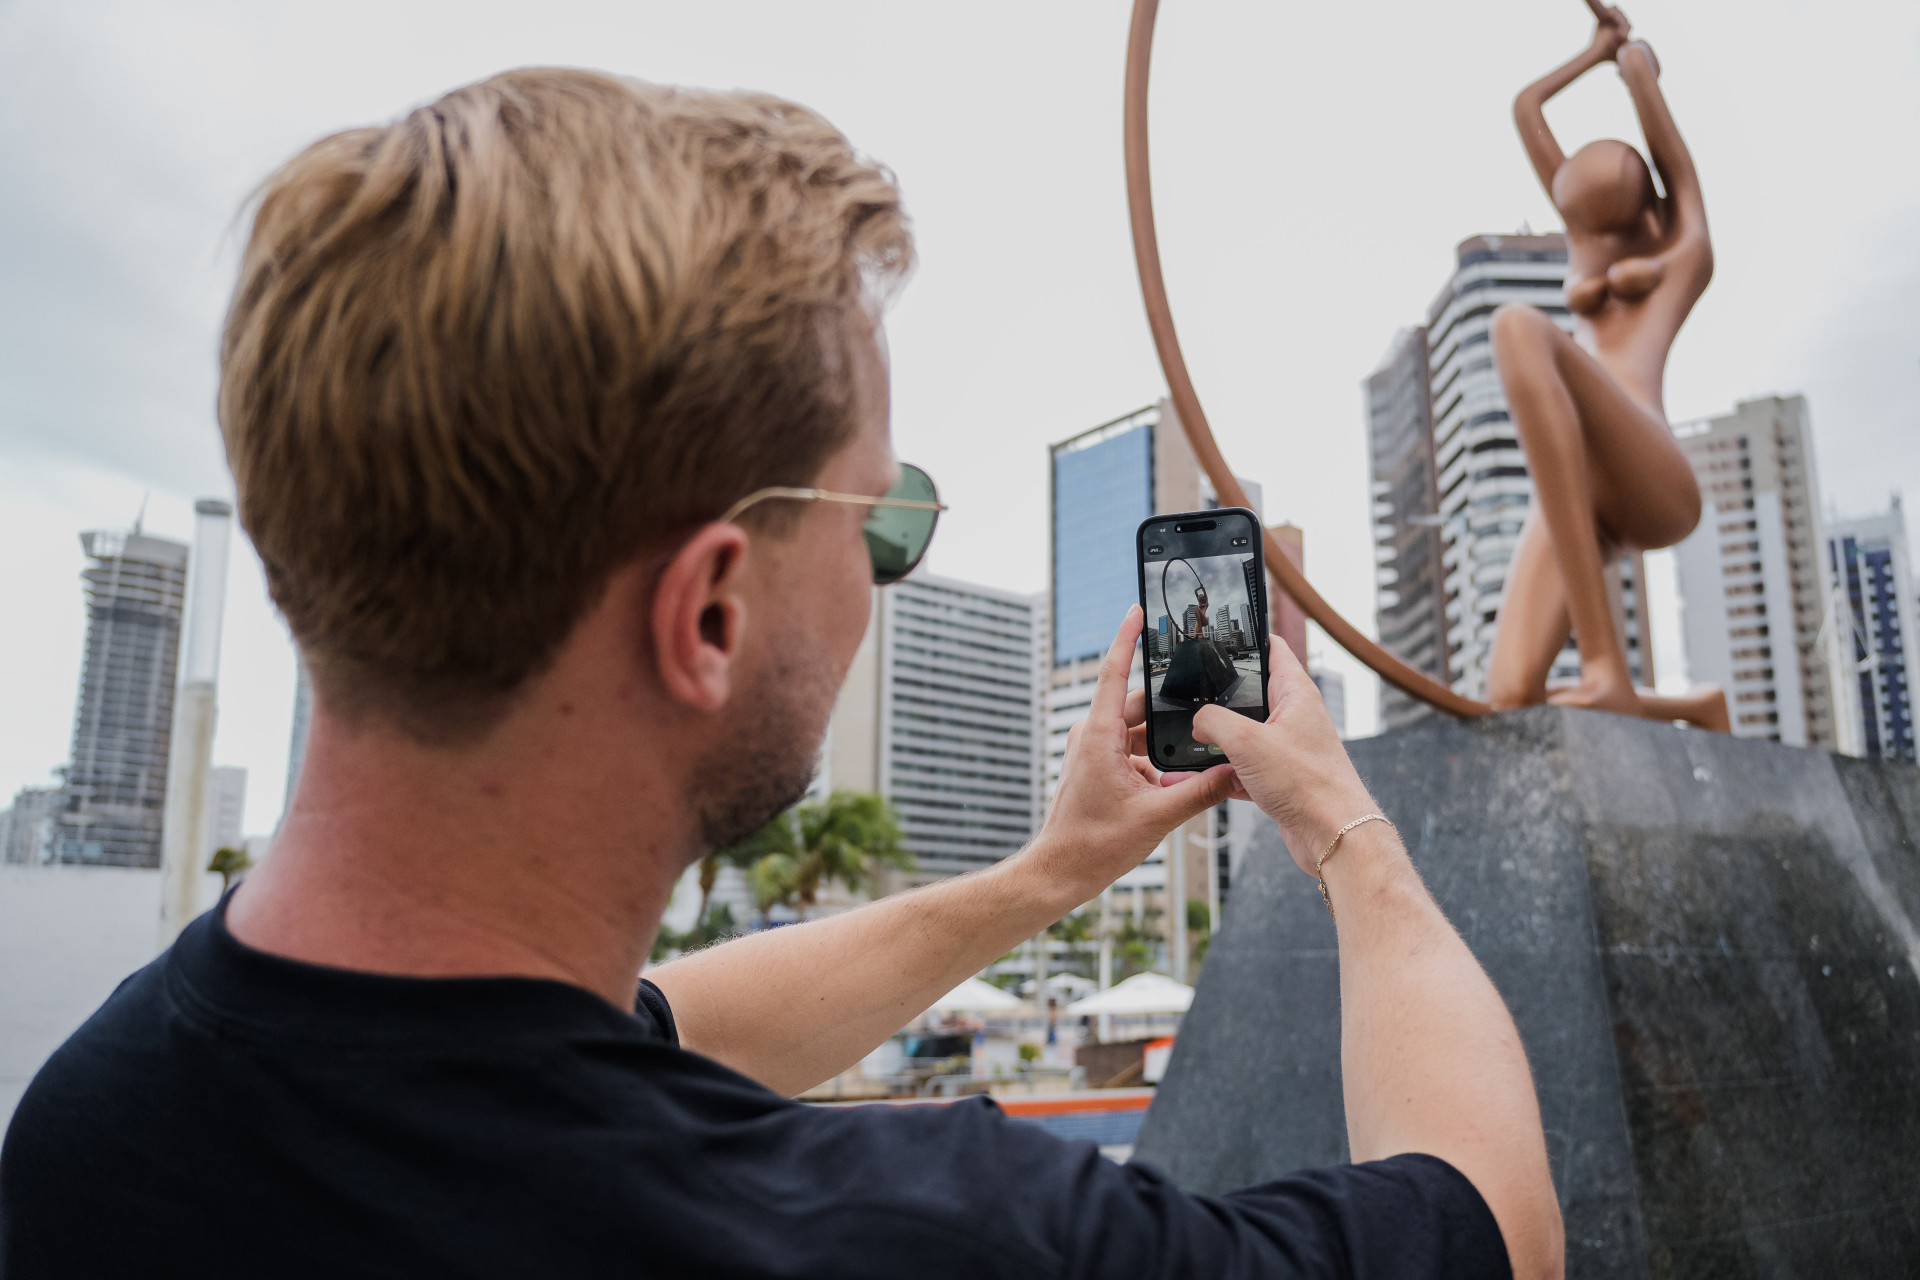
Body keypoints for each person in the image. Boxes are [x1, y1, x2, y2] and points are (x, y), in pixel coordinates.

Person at [0, 69, 1563, 1279]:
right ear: (708, 615)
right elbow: (1493, 1223)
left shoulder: (93, 1127)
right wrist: (1353, 839)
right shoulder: (927, 1236)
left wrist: (1050, 875)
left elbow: (632, 1029)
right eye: (883, 518)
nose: (889, 573)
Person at [1484, 0, 1726, 731]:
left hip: (1648, 473)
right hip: (1578, 491)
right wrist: (1592, 50)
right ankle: (1693, 706)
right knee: (1509, 695)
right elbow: (1526, 108)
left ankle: (1604, 664)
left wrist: (1636, 76)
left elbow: (1677, 166)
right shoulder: (1584, 241)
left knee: (1519, 328)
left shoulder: (1681, 253)